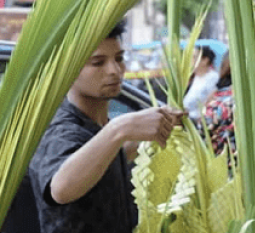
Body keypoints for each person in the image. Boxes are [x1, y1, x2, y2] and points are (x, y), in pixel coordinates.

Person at [26, 20, 185, 233]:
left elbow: (105, 160)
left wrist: (147, 137)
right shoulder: (59, 128)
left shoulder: (99, 127)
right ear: (66, 70)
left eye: (119, 58)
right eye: (98, 62)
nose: (114, 70)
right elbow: (61, 189)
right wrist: (119, 129)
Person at [183, 45, 219, 121]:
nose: (190, 61)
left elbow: (211, 99)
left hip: (197, 120)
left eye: (194, 57)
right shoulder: (193, 77)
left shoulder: (213, 78)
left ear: (205, 60)